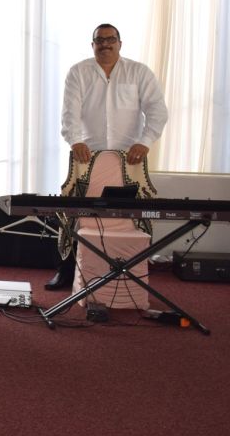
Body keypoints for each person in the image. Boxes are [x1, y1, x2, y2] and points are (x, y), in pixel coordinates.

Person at [48, 23, 168, 290]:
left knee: (132, 213)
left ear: (120, 43)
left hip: (130, 156)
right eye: (99, 40)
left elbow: (158, 111)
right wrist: (75, 140)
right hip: (86, 154)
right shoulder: (79, 72)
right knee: (73, 209)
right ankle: (66, 270)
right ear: (92, 45)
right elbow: (69, 112)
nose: (105, 44)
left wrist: (145, 142)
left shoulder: (139, 72)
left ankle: (130, 272)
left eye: (110, 39)